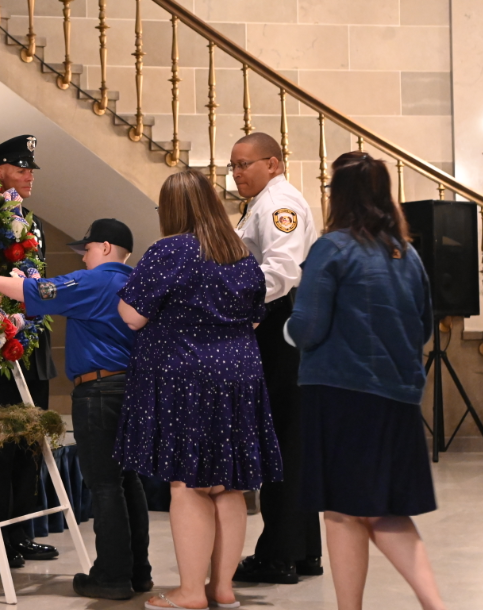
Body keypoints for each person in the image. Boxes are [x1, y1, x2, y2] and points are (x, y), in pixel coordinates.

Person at [115, 169, 282, 610]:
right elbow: (254, 316)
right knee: (227, 486)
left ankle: (190, 592)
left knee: (187, 486)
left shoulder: (170, 250)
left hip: (187, 377)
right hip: (239, 376)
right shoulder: (239, 253)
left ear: (171, 209)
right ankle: (221, 589)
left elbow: (131, 316)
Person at [287, 152, 443, 610]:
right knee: (370, 509)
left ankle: (430, 604)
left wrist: (283, 327)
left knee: (349, 510)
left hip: (342, 393)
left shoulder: (331, 247)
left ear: (337, 194)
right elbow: (424, 326)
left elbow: (309, 326)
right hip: (398, 394)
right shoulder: (407, 254)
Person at [0, 218, 152, 601]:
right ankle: (138, 572)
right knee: (128, 482)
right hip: (131, 389)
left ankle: (111, 576)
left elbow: (37, 290)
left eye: (87, 249)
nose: (84, 257)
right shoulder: (136, 280)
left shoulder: (97, 280)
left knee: (105, 486)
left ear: (105, 248)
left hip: (99, 391)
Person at [228, 132, 322, 585]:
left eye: (245, 164)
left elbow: (281, 271)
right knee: (292, 440)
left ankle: (278, 556)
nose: (237, 172)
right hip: (288, 325)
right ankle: (303, 552)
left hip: (279, 325)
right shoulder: (264, 202)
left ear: (274, 163)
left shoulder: (277, 205)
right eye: (233, 166)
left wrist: (232, 300)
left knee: (281, 440)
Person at [0, 134, 59, 567]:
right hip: (0, 339)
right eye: (20, 168)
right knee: (4, 437)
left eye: (30, 169)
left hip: (33, 335)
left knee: (32, 436)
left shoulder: (32, 219)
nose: (28, 175)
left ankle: (21, 531)